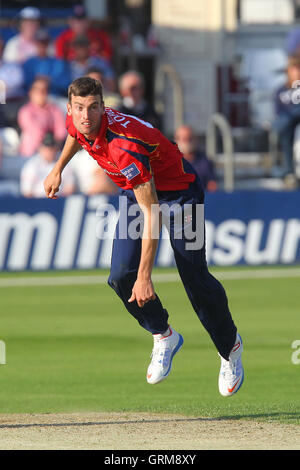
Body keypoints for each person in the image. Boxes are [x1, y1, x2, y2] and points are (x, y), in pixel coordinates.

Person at [43, 77, 244, 397]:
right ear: (70, 108)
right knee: (120, 277)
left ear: (103, 108)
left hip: (180, 197)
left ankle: (229, 348)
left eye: (94, 108)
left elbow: (152, 215)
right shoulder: (78, 119)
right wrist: (58, 169)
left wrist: (146, 277)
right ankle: (163, 333)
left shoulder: (124, 147)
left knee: (196, 282)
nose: (85, 116)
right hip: (135, 194)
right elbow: (74, 134)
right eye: (79, 108)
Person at [18, 77, 67, 158]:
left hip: (54, 151)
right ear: (31, 92)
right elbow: (36, 132)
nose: (41, 93)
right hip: (31, 154)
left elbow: (61, 132)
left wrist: (53, 146)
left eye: (44, 90)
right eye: (37, 90)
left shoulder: (54, 109)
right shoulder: (25, 111)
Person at [21, 132, 75, 198]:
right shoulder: (32, 165)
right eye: (47, 149)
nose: (49, 152)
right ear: (40, 149)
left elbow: (70, 188)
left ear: (56, 148)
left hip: (59, 200)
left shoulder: (64, 163)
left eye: (52, 149)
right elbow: (27, 192)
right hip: (37, 201)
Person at [273, 55, 300, 178]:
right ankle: (288, 169)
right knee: (285, 129)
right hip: (288, 127)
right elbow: (279, 113)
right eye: (294, 70)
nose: (297, 73)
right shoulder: (280, 90)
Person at [22, 28, 71, 96]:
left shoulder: (58, 63)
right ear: (35, 43)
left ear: (49, 43)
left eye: (45, 42)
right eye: (40, 42)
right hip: (34, 98)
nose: (42, 45)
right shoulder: (28, 63)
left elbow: (66, 84)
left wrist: (49, 80)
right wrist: (39, 81)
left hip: (55, 98)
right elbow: (25, 85)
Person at [174, 125, 218, 192]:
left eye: (190, 138)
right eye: (184, 139)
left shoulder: (204, 162)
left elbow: (212, 186)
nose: (187, 142)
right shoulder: (169, 163)